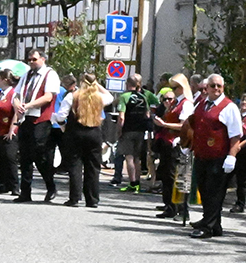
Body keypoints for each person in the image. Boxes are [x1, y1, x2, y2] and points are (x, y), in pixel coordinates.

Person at [188, 73, 243, 238]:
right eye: (213, 86)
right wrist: (188, 145)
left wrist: (232, 156)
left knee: (214, 193)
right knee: (204, 190)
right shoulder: (202, 104)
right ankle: (213, 223)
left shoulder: (229, 107)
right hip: (201, 155)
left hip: (218, 157)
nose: (216, 89)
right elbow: (194, 126)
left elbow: (236, 135)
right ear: (207, 88)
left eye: (219, 86)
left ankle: (208, 226)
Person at [13, 48, 60, 203]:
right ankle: (25, 192)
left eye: (34, 59)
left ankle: (50, 186)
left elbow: (48, 97)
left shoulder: (50, 74)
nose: (31, 62)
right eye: (29, 60)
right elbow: (16, 94)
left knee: (40, 155)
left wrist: (28, 105)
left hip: (41, 119)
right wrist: (17, 104)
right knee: (25, 156)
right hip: (25, 119)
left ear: (43, 59)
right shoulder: (26, 75)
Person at [152, 80, 192, 224]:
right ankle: (170, 206)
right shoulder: (175, 103)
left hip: (177, 144)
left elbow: (183, 125)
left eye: (175, 88)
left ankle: (182, 210)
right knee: (167, 176)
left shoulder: (186, 104)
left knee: (178, 177)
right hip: (167, 143)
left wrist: (165, 124)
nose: (173, 91)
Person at [64, 74, 106, 208]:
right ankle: (92, 199)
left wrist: (62, 126)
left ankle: (74, 198)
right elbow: (110, 96)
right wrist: (95, 84)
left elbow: (60, 115)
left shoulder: (72, 96)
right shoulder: (100, 97)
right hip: (94, 133)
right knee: (93, 166)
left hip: (76, 131)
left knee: (75, 165)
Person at [115, 72, 154, 192]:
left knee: (129, 157)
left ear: (127, 84)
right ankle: (138, 183)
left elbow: (121, 117)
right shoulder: (143, 97)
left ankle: (132, 183)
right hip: (140, 131)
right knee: (137, 158)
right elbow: (147, 114)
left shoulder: (124, 97)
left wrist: (119, 130)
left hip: (128, 130)